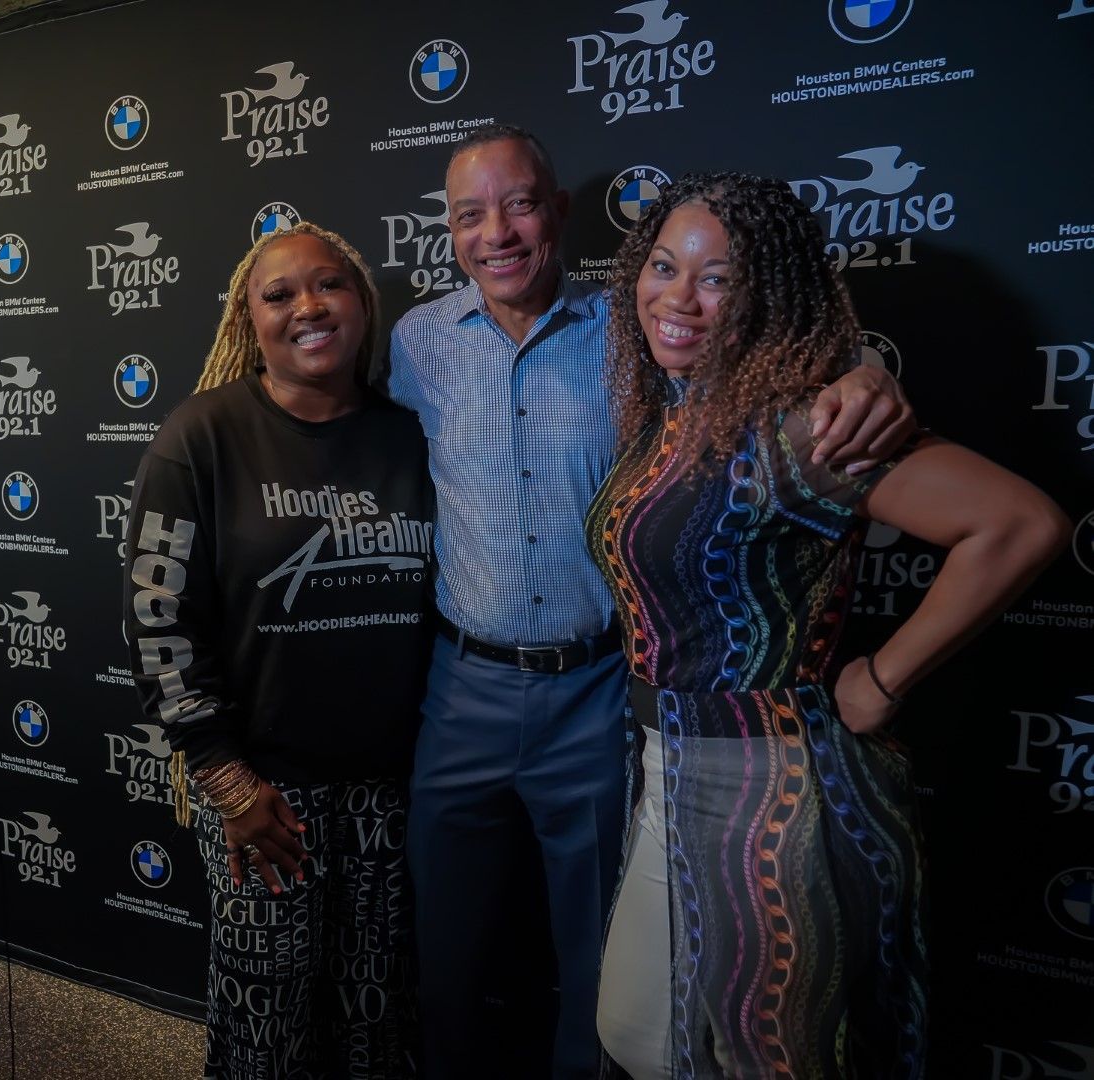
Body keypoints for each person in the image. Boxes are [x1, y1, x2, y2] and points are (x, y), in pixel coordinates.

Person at [386, 125, 916, 1079]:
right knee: (448, 956)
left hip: (599, 695)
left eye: (518, 205)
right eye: (470, 213)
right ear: (449, 229)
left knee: (607, 976)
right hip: (460, 690)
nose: (496, 232)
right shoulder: (415, 343)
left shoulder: (631, 334)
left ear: (557, 211)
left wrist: (864, 375)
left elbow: (767, 353)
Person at [587, 171, 1068, 1078]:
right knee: (643, 1037)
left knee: (760, 1048)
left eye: (716, 277)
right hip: (668, 770)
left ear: (766, 295)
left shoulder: (798, 427)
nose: (677, 298)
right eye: (661, 266)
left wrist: (880, 682)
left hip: (769, 796)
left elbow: (1018, 525)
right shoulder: (671, 411)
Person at [123, 223, 434, 1079]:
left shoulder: (413, 432)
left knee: (377, 1021)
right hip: (266, 794)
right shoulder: (201, 435)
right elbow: (157, 620)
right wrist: (227, 782)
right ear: (245, 319)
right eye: (278, 294)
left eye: (329, 285)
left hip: (396, 790)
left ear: (363, 303)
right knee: (266, 1026)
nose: (308, 307)